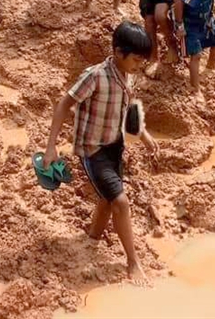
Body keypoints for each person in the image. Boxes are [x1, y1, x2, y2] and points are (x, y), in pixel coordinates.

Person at [43, 21, 158, 285]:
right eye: (137, 58)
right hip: (93, 150)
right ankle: (133, 261)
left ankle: (92, 239)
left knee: (107, 199)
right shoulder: (94, 76)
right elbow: (64, 104)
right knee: (121, 202)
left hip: (115, 146)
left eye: (143, 59)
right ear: (118, 52)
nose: (140, 64)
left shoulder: (128, 76)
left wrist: (143, 134)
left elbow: (128, 109)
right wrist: (51, 146)